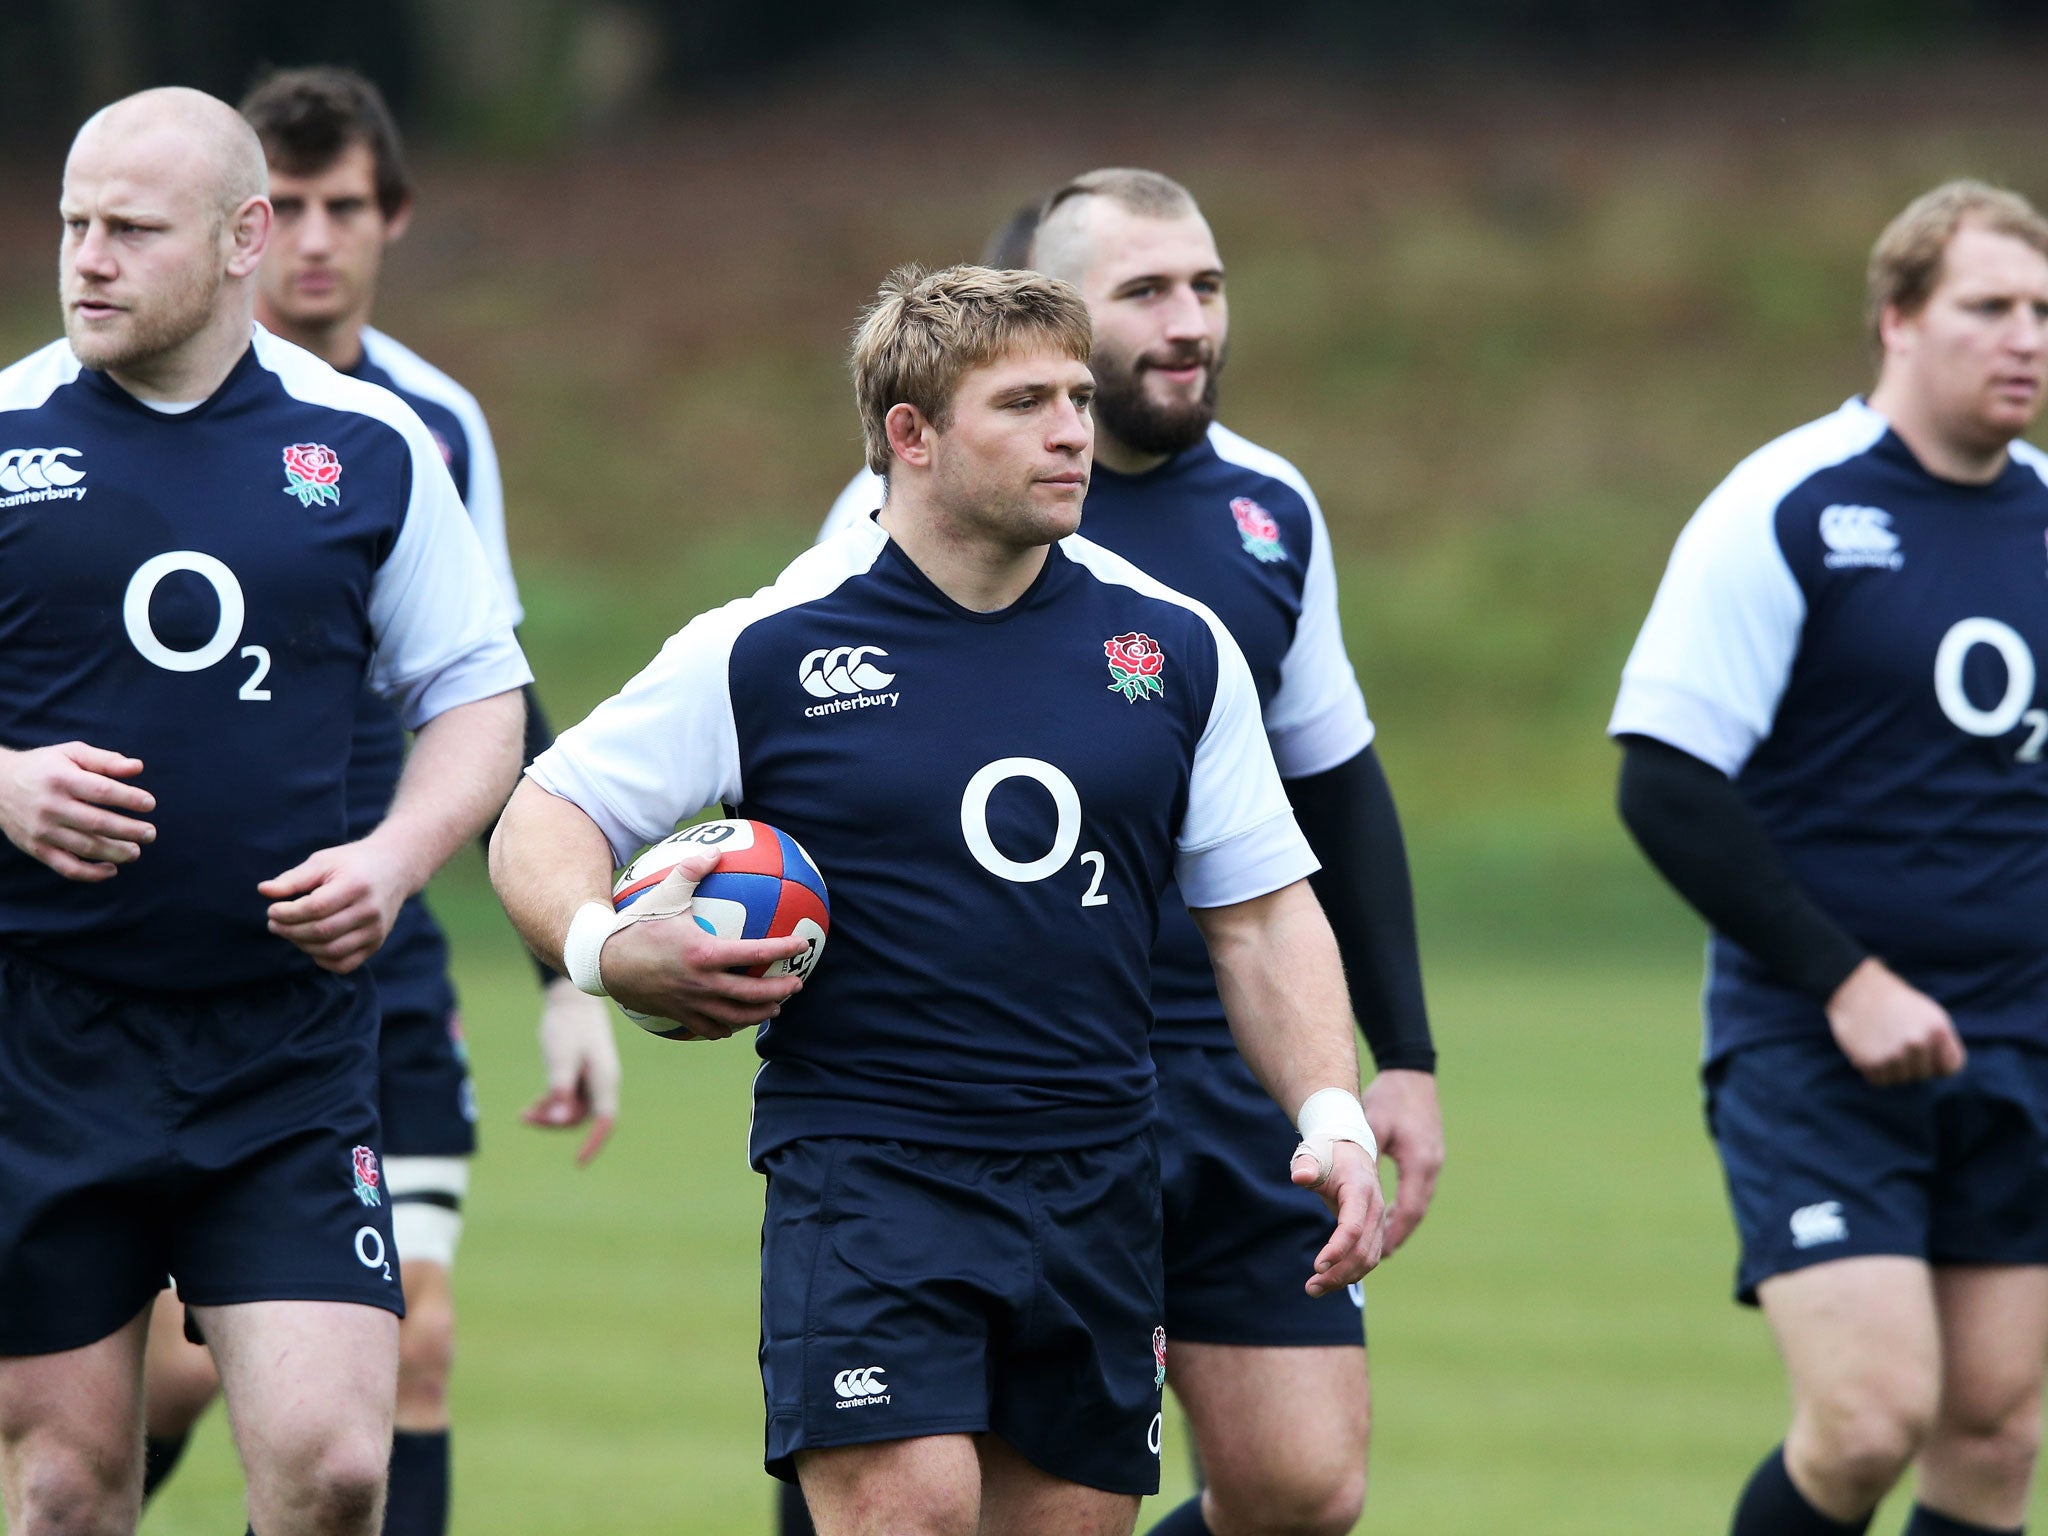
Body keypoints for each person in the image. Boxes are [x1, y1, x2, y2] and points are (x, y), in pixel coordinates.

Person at [491, 263, 1387, 1536]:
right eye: (1023, 402)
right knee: (906, 1517)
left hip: (1095, 1177)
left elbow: (1259, 915)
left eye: (1076, 396)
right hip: (869, 1173)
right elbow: (545, 812)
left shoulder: (1174, 647)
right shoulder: (768, 647)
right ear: (909, 436)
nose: (1073, 429)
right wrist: (600, 945)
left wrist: (1332, 1110)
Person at [818, 169, 1440, 1536]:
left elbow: (1336, 792)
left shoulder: (1269, 512)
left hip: (1231, 1055)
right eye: (1147, 294)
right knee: (920, 1480)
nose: (1188, 324)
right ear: (1051, 316)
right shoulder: (905, 519)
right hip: (994, 1065)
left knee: (1303, 1488)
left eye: (1207, 288)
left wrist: (1401, 1061)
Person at [0, 86, 529, 1536]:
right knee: (64, 1489)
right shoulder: (5, 433)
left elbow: (480, 698)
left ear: (243, 239)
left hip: (281, 1042)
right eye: (72, 226)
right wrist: (5, 782)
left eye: (128, 230)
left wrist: (396, 855)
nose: (86, 259)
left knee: (333, 1468)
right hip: (43, 1036)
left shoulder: (366, 444)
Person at [131, 67, 620, 1536]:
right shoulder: (144, 404)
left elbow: (492, 694)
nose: (318, 242)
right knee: (166, 1378)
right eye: (293, 210)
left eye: (350, 205)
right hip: (176, 945)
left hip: (379, 940)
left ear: (393, 217)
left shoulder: (430, 425)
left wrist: (566, 973)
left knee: (413, 1339)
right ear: (240, 226)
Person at [1612, 180, 2048, 1536]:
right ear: (1898, 319)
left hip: (2023, 1037)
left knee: (1994, 1437)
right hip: (1817, 1044)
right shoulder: (1788, 505)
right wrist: (1847, 980)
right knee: (1868, 1423)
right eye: (1988, 307)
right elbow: (1667, 783)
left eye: (2043, 312)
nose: (2024, 338)